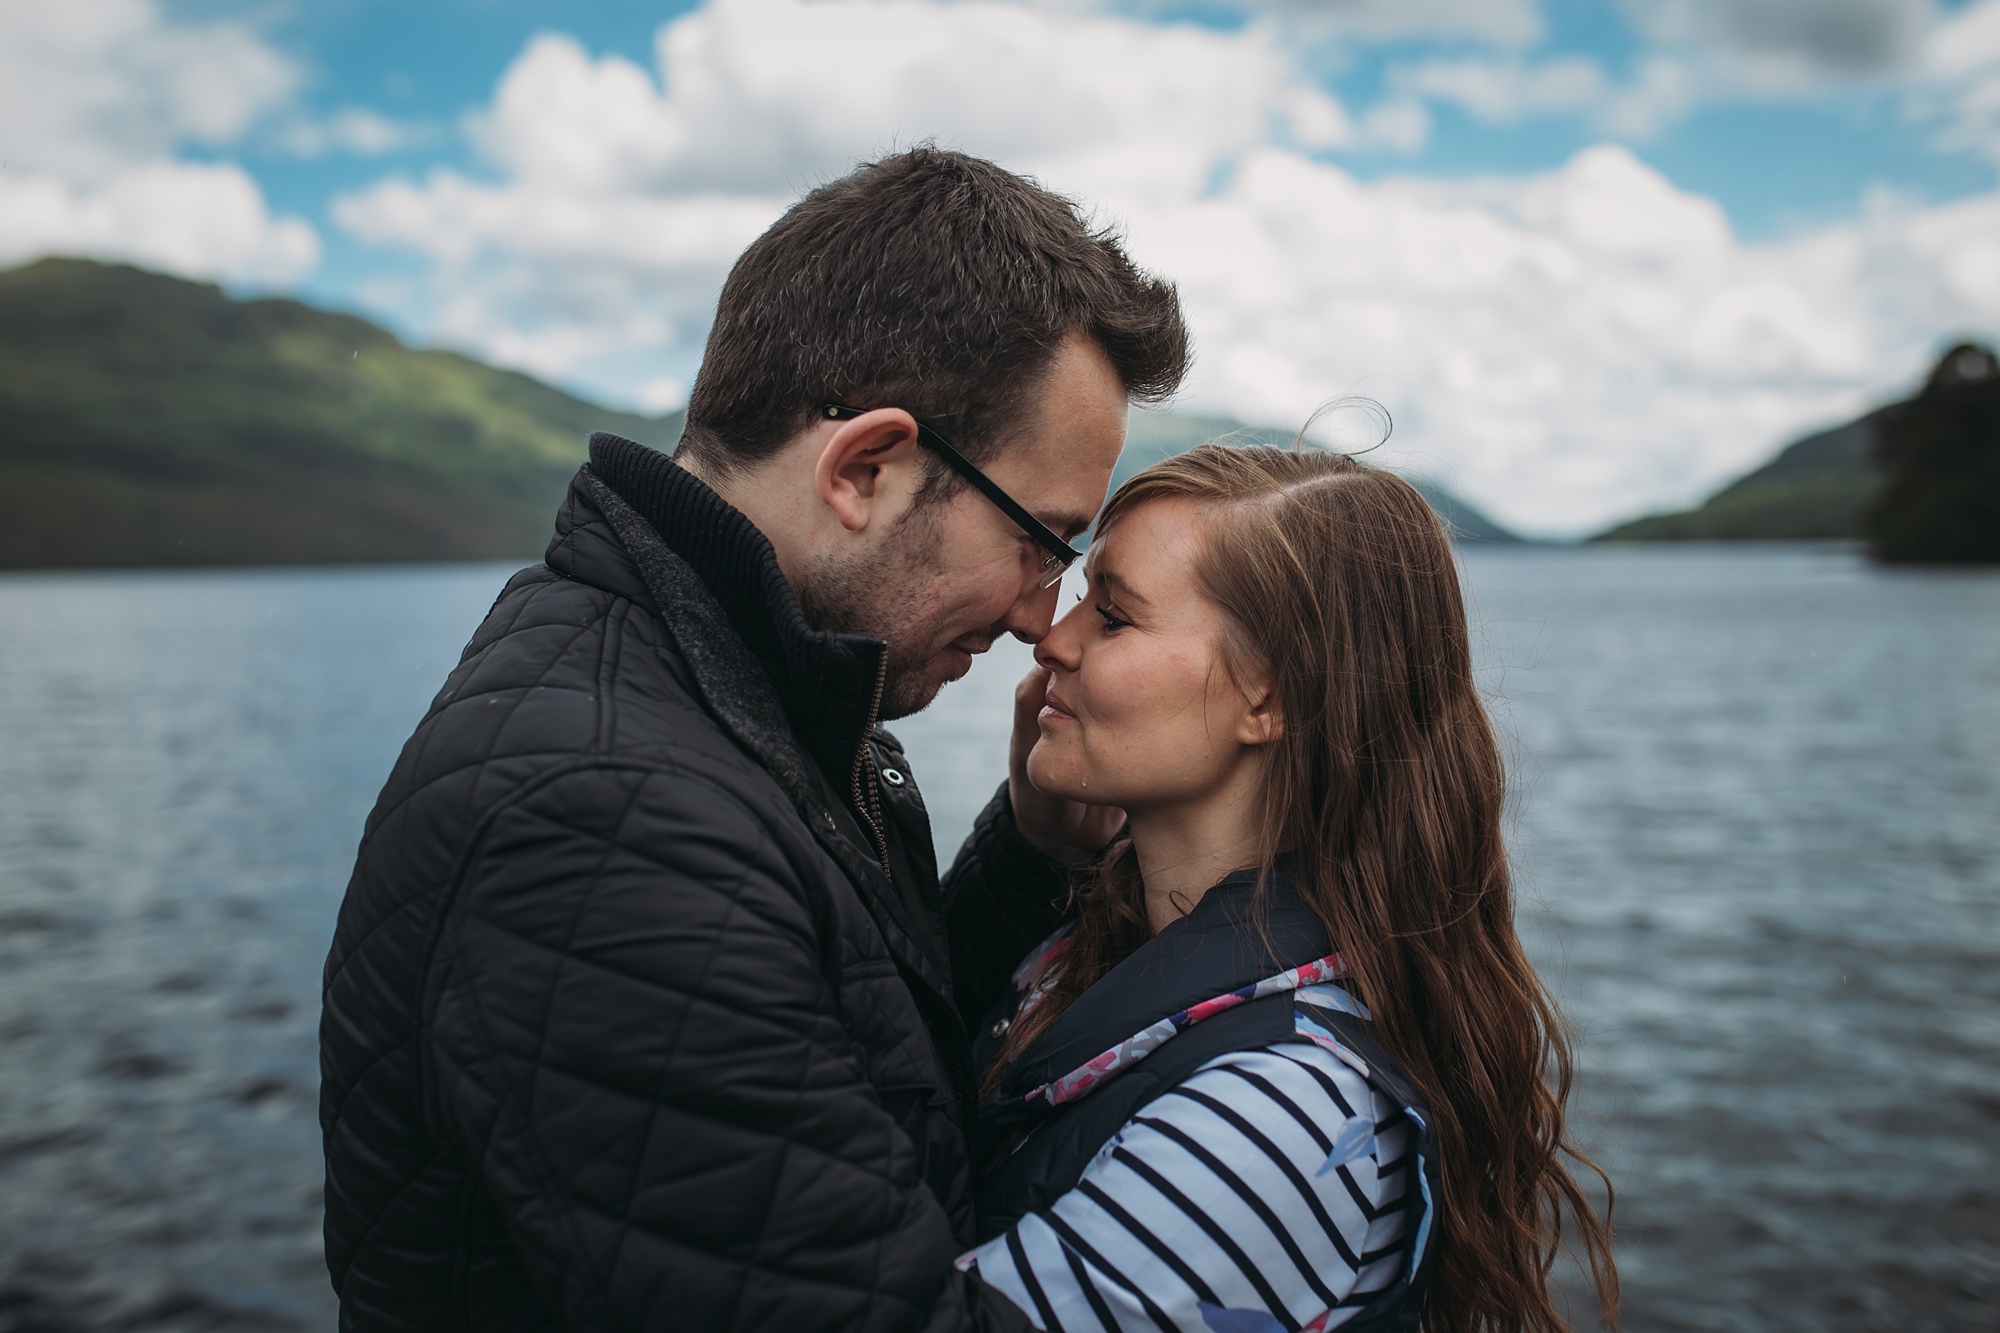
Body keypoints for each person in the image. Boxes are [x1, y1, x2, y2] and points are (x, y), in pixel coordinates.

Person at [318, 148, 1187, 1332]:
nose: (1043, 615)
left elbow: (859, 1056)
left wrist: (1031, 859)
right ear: (864, 468)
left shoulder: (735, 691)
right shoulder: (607, 819)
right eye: (1039, 540)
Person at [959, 443, 1620, 1333]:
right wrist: (1029, 856)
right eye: (1080, 600)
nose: (1052, 638)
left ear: (1270, 697)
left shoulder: (1285, 1118)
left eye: (1112, 618)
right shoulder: (1096, 940)